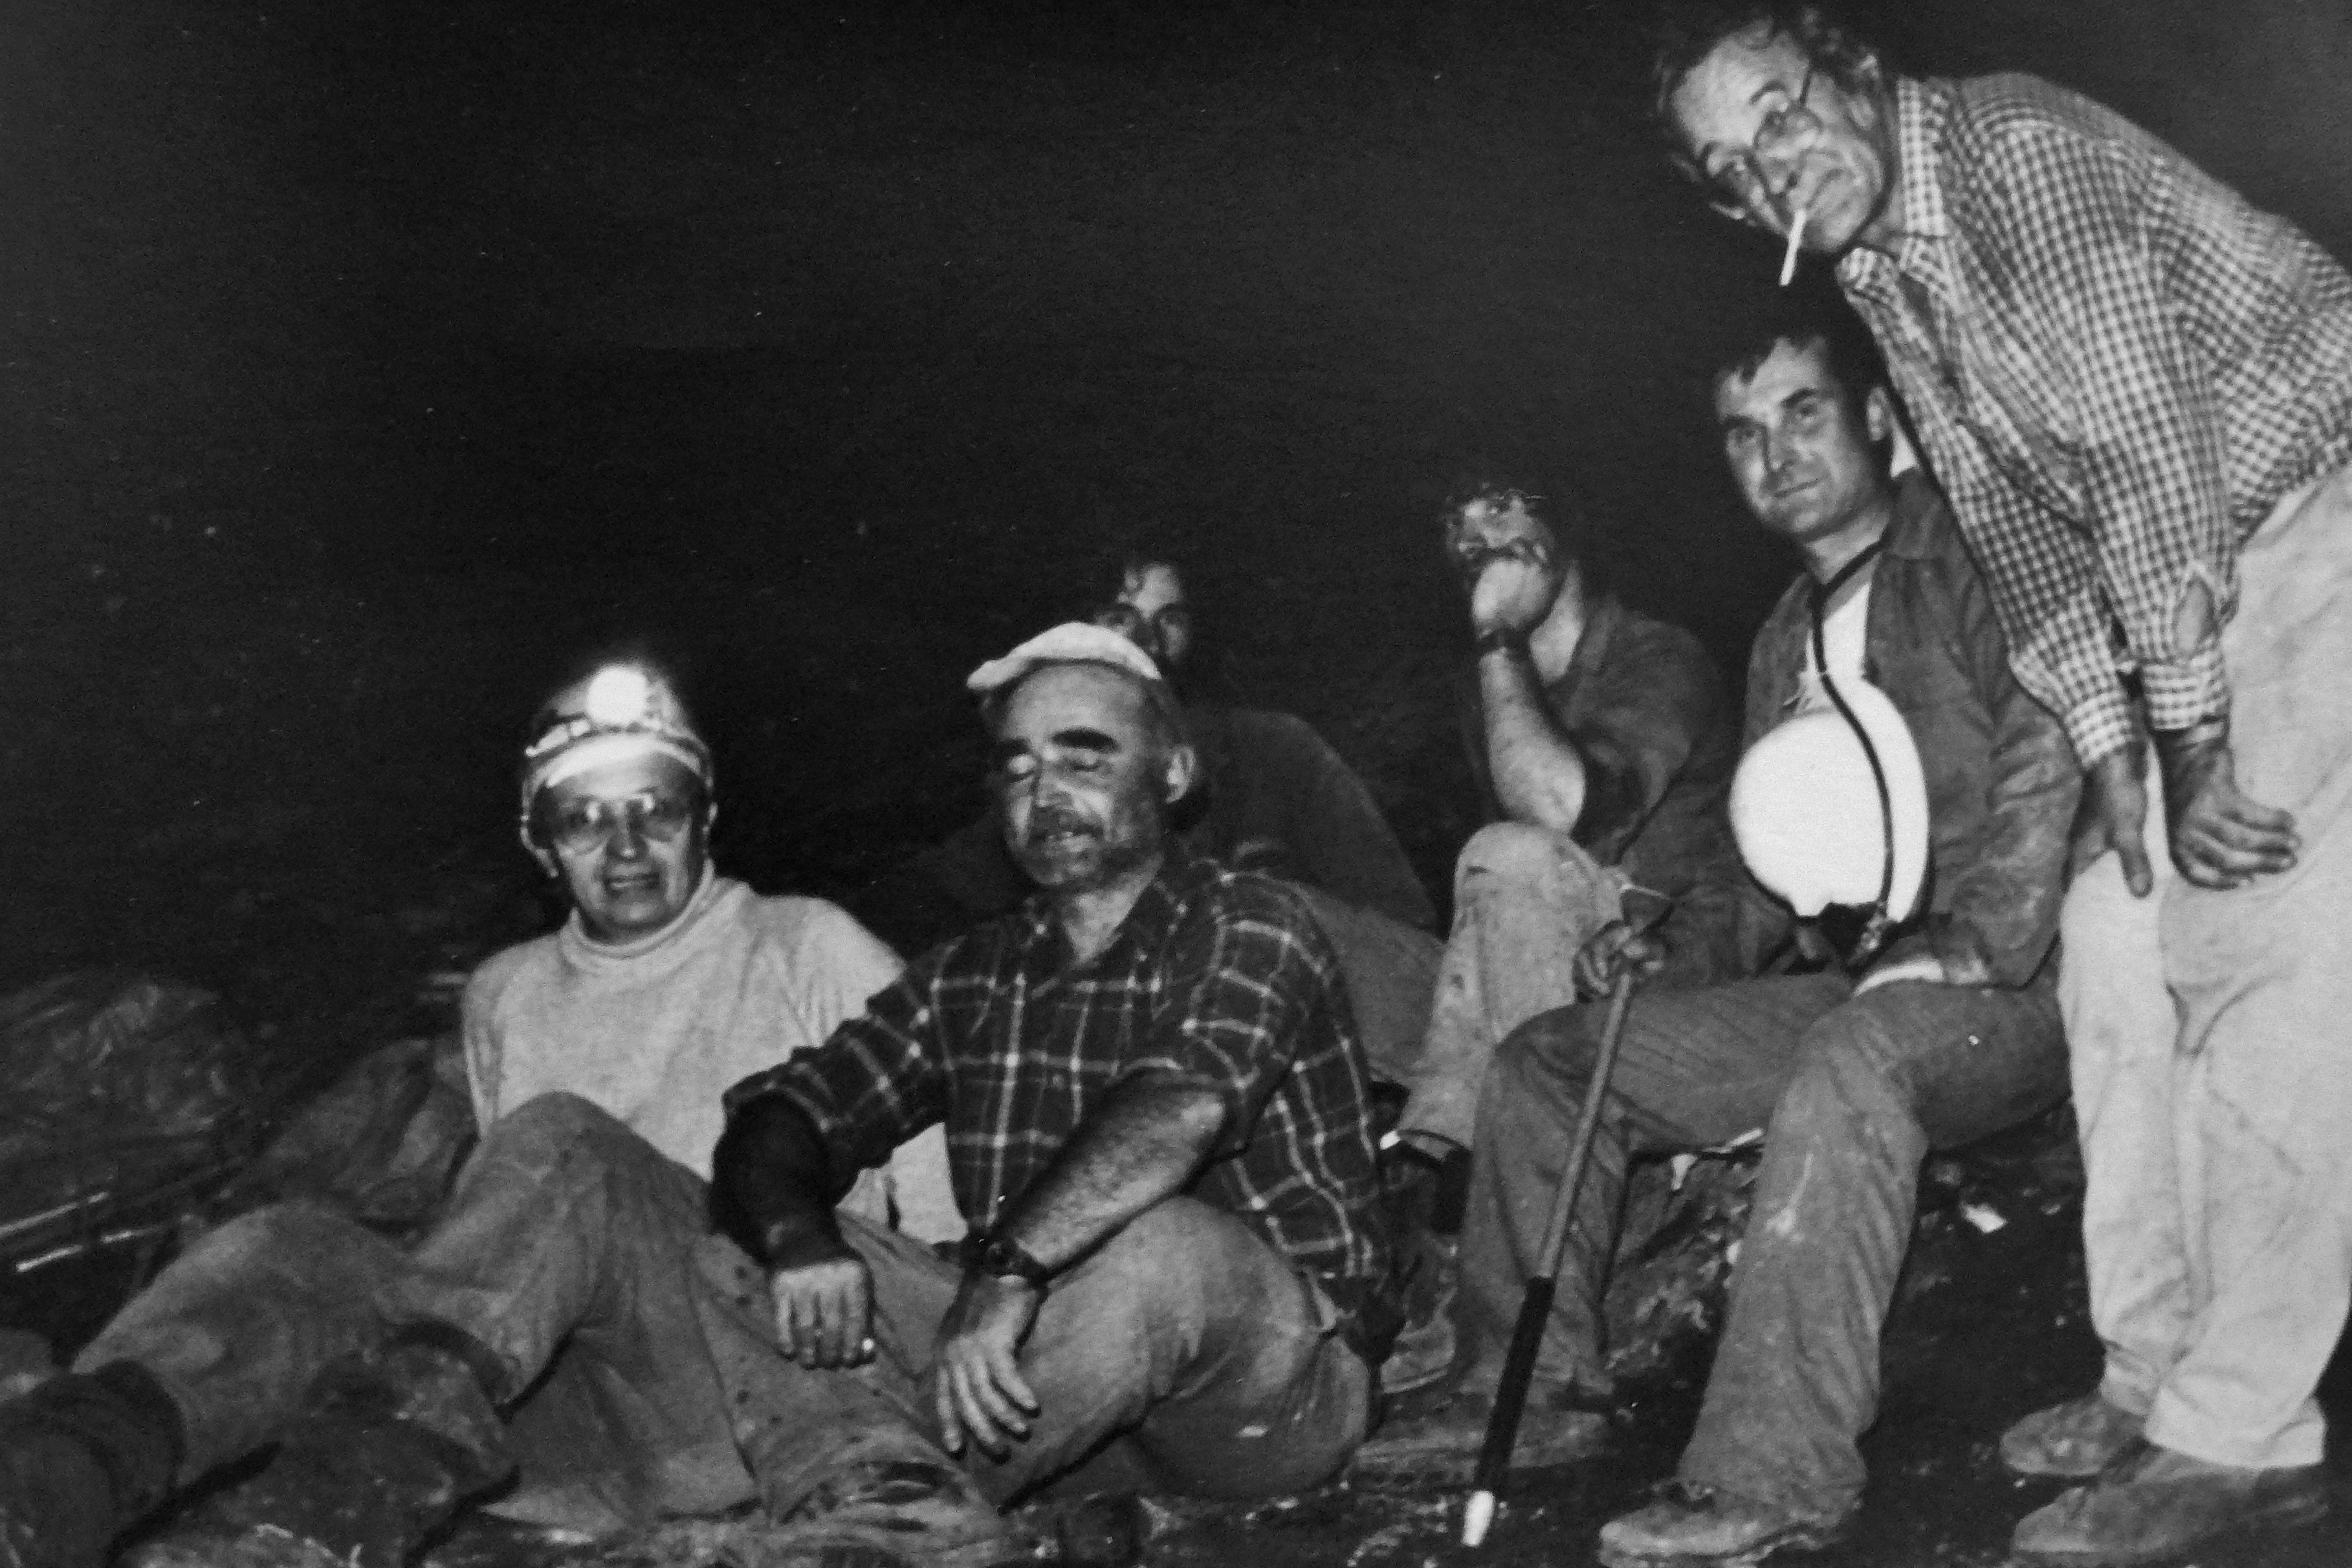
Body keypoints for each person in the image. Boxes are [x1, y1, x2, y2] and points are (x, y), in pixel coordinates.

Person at [1656, 3, 2352, 1558]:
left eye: (1776, 116)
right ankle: (2152, 1369)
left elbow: (2152, 476)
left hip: (2318, 507)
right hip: (2195, 576)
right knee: (2109, 937)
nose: (1767, 174)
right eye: (1727, 171)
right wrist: (2110, 755)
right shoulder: (1881, 265)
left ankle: (2241, 1432)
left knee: (2253, 942)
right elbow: (2023, 532)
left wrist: (2190, 749)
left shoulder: (2012, 163)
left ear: (1850, 71)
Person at [0, 662, 956, 1565]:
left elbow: (934, 1241)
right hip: (570, 1431)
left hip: (769, 1393)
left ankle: (331, 1513)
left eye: (654, 810)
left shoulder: (806, 946)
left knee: (569, 1144)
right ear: (542, 846)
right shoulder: (508, 992)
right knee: (291, 1244)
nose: (625, 847)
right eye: (583, 820)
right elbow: (515, 1252)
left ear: (704, 819)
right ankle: (55, 1483)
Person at [1429, 285, 2077, 1566]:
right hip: (1861, 988)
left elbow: (2046, 737)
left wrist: (1985, 929)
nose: (1775, 455)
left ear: (1877, 418)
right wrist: (1670, 953)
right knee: (1549, 1059)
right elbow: (1769, 874)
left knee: (1855, 1054)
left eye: (1802, 413)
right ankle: (1523, 1392)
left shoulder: (1973, 557)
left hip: (2020, 985)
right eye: (1742, 432)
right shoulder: (1781, 637)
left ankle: (1772, 1469)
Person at [709, 622, 1396, 1526]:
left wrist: (1001, 1275)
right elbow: (791, 1110)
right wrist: (797, 1237)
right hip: (1046, 1386)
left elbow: (1180, 1108)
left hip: (1257, 1390)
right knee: (738, 1238)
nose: (1045, 794)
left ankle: (889, 1516)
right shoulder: (972, 971)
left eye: (1083, 759)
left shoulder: (1248, 918)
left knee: (1163, 1244)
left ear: (1172, 774)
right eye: (1019, 769)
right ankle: (875, 1495)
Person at [850, 540, 1444, 1096]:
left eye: (1171, 619)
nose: (1149, 640)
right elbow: (920, 899)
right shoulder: (1044, 800)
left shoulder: (1272, 748)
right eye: (1121, 617)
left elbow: (1400, 931)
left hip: (1324, 1040)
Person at [1392, 477, 1744, 1166]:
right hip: (1541, 968)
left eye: (1499, 507)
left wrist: (1496, 635)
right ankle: (1445, 1152)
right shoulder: (1486, 689)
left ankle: (1504, 1157)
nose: (1471, 540)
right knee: (1307, 923)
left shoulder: (1660, 657)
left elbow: (1558, 818)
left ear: (1563, 524)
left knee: (1512, 853)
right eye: (1452, 521)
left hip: (1655, 972)